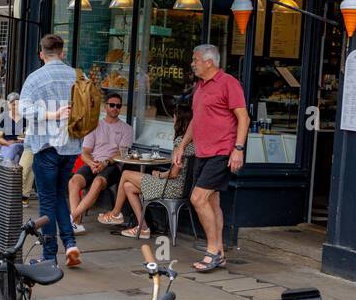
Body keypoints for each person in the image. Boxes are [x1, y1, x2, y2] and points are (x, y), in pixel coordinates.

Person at [172, 45, 249, 272]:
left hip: (222, 150)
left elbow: (243, 118)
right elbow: (197, 119)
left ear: (209, 62)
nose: (192, 64)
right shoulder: (200, 86)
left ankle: (212, 250)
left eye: (195, 60)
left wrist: (238, 148)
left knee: (198, 198)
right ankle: (220, 253)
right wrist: (182, 146)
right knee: (212, 201)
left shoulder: (229, 83)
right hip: (202, 152)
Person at [18, 32, 81, 267]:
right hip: (71, 146)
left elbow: (24, 110)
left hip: (45, 146)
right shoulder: (77, 76)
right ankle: (71, 244)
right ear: (62, 52)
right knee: (59, 196)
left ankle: (49, 255)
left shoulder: (35, 79)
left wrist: (50, 115)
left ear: (41, 54)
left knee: (46, 201)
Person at [101, 101, 195, 239]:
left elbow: (174, 173)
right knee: (128, 186)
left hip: (171, 188)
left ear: (179, 120)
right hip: (183, 188)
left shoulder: (179, 143)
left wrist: (160, 175)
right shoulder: (193, 143)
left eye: (174, 117)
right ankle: (143, 228)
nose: (172, 120)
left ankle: (115, 213)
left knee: (126, 173)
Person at [67, 94, 133, 234]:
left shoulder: (126, 129)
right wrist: (91, 163)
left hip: (112, 165)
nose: (115, 108)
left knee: (97, 182)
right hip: (94, 162)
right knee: (74, 182)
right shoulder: (95, 125)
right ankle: (76, 222)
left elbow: (121, 154)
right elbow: (85, 152)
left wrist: (105, 163)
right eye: (112, 105)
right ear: (105, 106)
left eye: (118, 106)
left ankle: (72, 218)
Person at [0, 93, 25, 165]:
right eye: (13, 104)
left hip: (21, 145)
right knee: (16, 157)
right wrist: (8, 143)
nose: (15, 107)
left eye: (17, 104)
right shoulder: (4, 117)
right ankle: (9, 172)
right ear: (8, 105)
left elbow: (27, 134)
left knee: (15, 147)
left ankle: (4, 169)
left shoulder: (24, 117)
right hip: (6, 145)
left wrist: (23, 138)